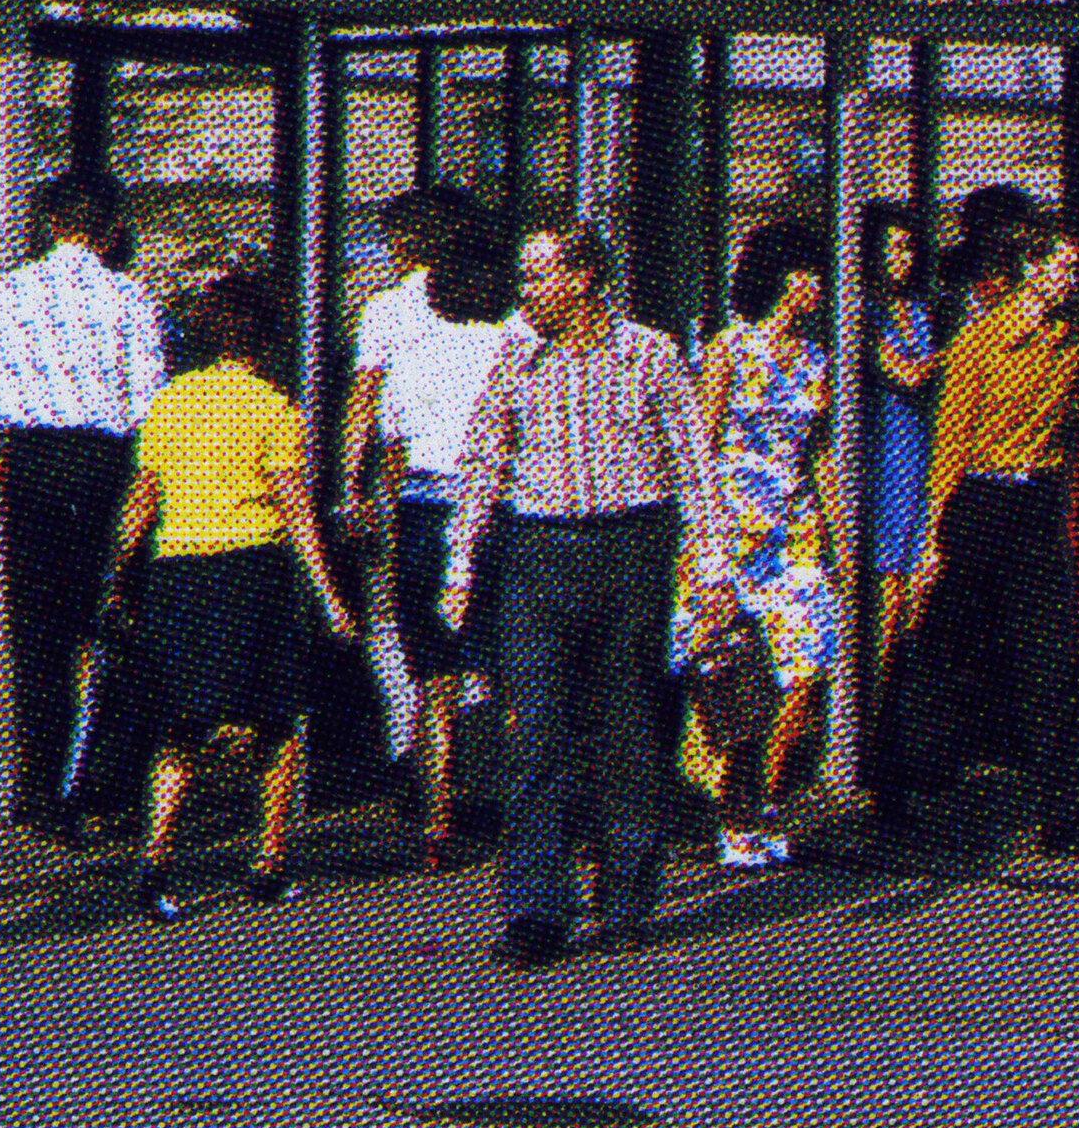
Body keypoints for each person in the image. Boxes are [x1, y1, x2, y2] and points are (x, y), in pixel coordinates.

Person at [441, 216, 737, 964]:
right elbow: (484, 459)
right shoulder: (516, 353)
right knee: (535, 734)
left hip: (630, 547)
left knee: (630, 730)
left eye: (540, 275)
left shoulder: (650, 354)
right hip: (538, 554)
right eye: (525, 274)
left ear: (582, 280)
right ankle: (536, 911)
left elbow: (694, 464)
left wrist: (711, 567)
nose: (526, 289)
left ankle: (628, 896)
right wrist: (462, 564)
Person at [0, 160, 167, 840]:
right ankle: (98, 780)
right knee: (112, 622)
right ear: (112, 229)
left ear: (50, 225)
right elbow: (151, 407)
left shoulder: (7, 293)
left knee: (37, 633)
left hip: (30, 462)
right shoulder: (131, 298)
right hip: (105, 463)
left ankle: (38, 788)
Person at [113, 267, 357, 920]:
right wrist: (332, 599)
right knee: (277, 719)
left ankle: (156, 856)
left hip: (178, 570)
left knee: (179, 723)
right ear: (268, 338)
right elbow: (297, 511)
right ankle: (269, 859)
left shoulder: (170, 403)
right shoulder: (275, 409)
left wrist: (119, 575)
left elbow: (143, 499)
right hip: (254, 570)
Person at [876, 213, 1079, 853]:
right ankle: (899, 778)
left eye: (1074, 269)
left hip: (1036, 499)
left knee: (1049, 654)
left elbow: (1077, 426)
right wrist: (932, 536)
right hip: (978, 499)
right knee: (943, 645)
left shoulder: (1073, 341)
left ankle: (1066, 809)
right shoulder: (978, 345)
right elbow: (950, 440)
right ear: (1029, 270)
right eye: (1060, 266)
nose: (1069, 279)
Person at [678, 217, 845, 870]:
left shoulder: (817, 358)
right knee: (727, 674)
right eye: (810, 273)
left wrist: (834, 532)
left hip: (791, 527)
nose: (820, 287)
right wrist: (698, 540)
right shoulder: (729, 349)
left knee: (804, 667)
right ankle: (733, 809)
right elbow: (699, 443)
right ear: (782, 278)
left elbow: (821, 449)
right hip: (728, 521)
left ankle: (760, 797)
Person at [359, 216, 515, 866]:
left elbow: (391, 450)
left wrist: (384, 523)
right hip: (495, 510)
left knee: (434, 678)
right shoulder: (515, 348)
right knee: (510, 667)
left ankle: (437, 821)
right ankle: (516, 807)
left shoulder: (414, 358)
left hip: (423, 510)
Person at [867, 207, 941, 667]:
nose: (904, 259)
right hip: (884, 448)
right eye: (894, 248)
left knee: (915, 574)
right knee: (885, 577)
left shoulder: (916, 310)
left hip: (917, 445)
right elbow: (906, 373)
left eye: (909, 248)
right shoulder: (860, 310)